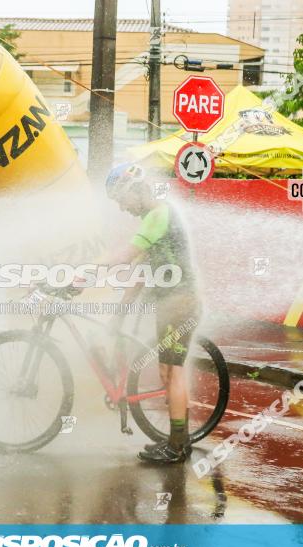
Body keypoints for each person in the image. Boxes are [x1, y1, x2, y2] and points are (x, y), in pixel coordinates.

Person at [103, 163, 202, 464]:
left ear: (135, 190)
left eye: (121, 200)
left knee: (173, 373)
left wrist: (77, 275)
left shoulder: (160, 215)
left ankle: (176, 447)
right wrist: (121, 311)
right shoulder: (153, 219)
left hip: (180, 303)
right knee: (166, 372)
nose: (122, 208)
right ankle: (178, 440)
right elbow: (141, 272)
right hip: (169, 305)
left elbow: (124, 257)